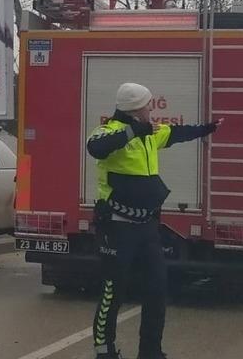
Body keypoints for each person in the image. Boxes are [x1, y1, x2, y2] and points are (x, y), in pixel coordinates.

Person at [86, 83, 222, 359]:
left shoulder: (151, 134)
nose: (152, 108)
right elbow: (96, 148)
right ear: (136, 109)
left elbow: (178, 133)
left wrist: (208, 128)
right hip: (116, 224)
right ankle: (105, 351)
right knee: (113, 291)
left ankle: (150, 351)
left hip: (146, 226)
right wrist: (132, 130)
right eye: (148, 104)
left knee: (157, 289)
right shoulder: (109, 131)